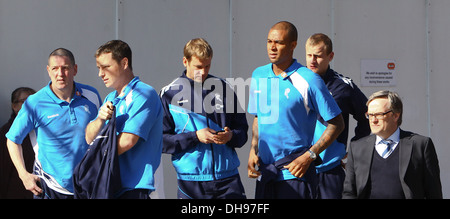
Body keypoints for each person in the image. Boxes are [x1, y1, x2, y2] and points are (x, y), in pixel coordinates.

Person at [247, 21, 345, 199]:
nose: (273, 47)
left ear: (293, 45)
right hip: (266, 173)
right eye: (269, 42)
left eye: (279, 43)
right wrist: (253, 150)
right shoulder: (258, 75)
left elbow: (337, 123)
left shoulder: (310, 79)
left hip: (295, 175)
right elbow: (258, 117)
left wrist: (310, 155)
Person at [6, 48, 102, 199]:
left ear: (75, 69)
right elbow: (12, 140)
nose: (60, 74)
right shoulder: (35, 102)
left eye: (65, 68)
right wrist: (23, 175)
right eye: (55, 69)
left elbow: (102, 135)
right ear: (48, 71)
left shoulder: (91, 95)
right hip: (49, 188)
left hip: (87, 187)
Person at [160, 38, 248, 199]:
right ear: (185, 62)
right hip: (192, 182)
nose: (203, 71)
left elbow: (243, 133)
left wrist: (230, 136)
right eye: (198, 67)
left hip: (228, 179)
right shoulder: (169, 93)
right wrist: (195, 137)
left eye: (207, 66)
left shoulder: (224, 89)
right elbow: (162, 141)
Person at [86, 40, 163, 199]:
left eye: (106, 67)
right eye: (99, 68)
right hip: (111, 185)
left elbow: (128, 140)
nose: (101, 74)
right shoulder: (111, 97)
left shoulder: (144, 93)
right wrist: (100, 118)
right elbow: (88, 138)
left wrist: (95, 159)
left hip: (135, 188)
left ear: (124, 63)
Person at [305, 33, 371, 199]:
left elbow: (367, 117)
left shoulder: (343, 86)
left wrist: (354, 149)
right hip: (298, 170)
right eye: (309, 55)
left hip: (330, 171)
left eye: (318, 56)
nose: (312, 60)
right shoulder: (295, 82)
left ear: (330, 56)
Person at [342, 90, 442, 199]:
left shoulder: (420, 145)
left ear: (396, 116)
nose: (373, 120)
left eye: (379, 114)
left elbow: (434, 192)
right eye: (370, 115)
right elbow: (349, 193)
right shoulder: (357, 148)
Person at [0, 87, 36, 199]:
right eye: (24, 101)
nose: (31, 105)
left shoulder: (42, 129)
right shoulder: (6, 132)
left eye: (34, 100)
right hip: (15, 190)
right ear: (14, 106)